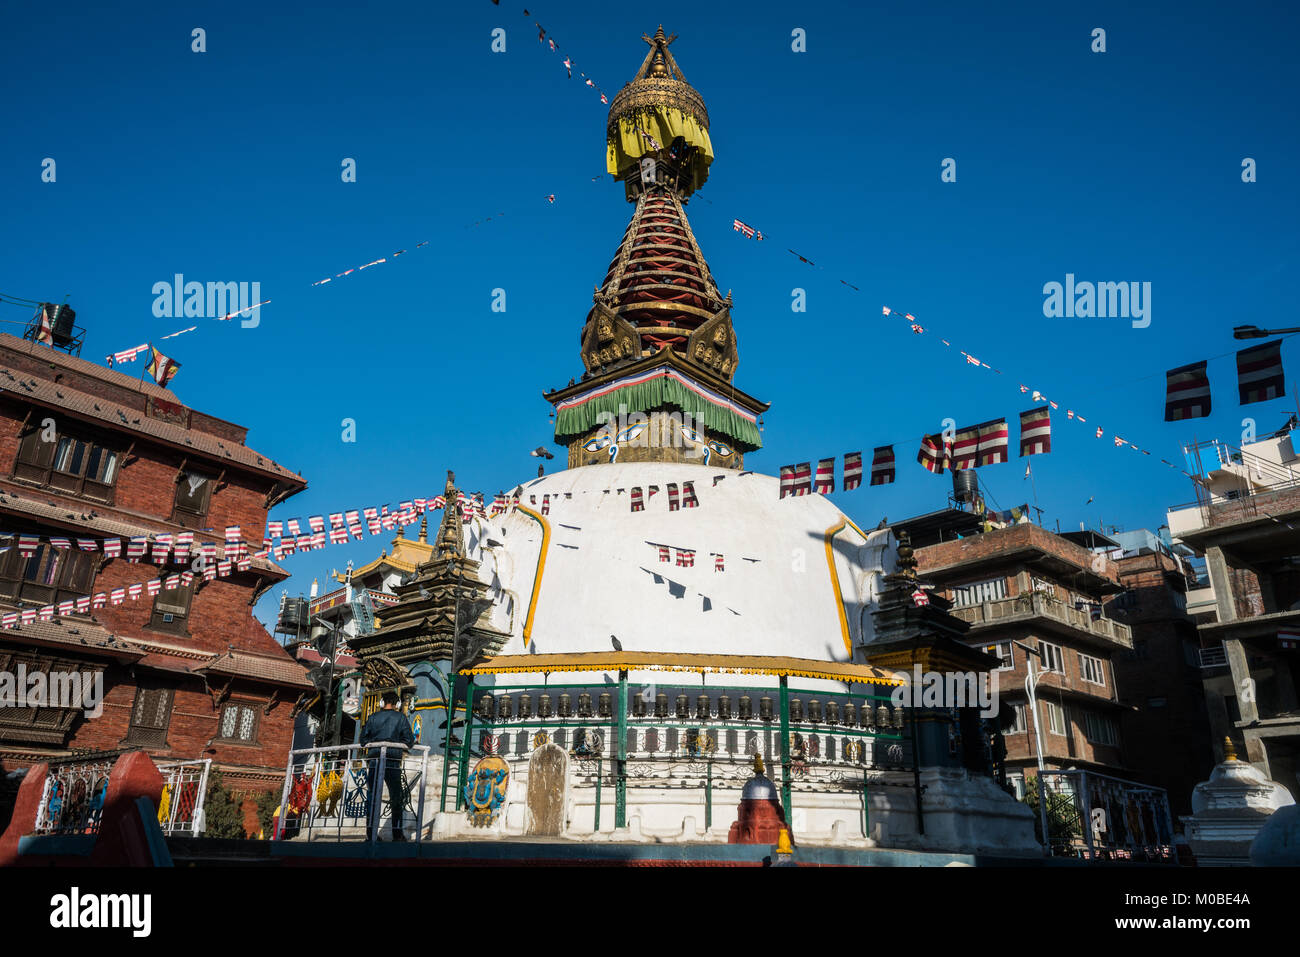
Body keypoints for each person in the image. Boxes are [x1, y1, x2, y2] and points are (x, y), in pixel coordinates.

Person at [360, 691, 415, 841]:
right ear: (398, 704)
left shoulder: (372, 718)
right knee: (396, 797)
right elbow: (409, 741)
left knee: (372, 796)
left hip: (375, 760)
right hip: (392, 760)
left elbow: (363, 740)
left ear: (382, 703)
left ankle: (371, 834)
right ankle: (397, 834)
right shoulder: (401, 718)